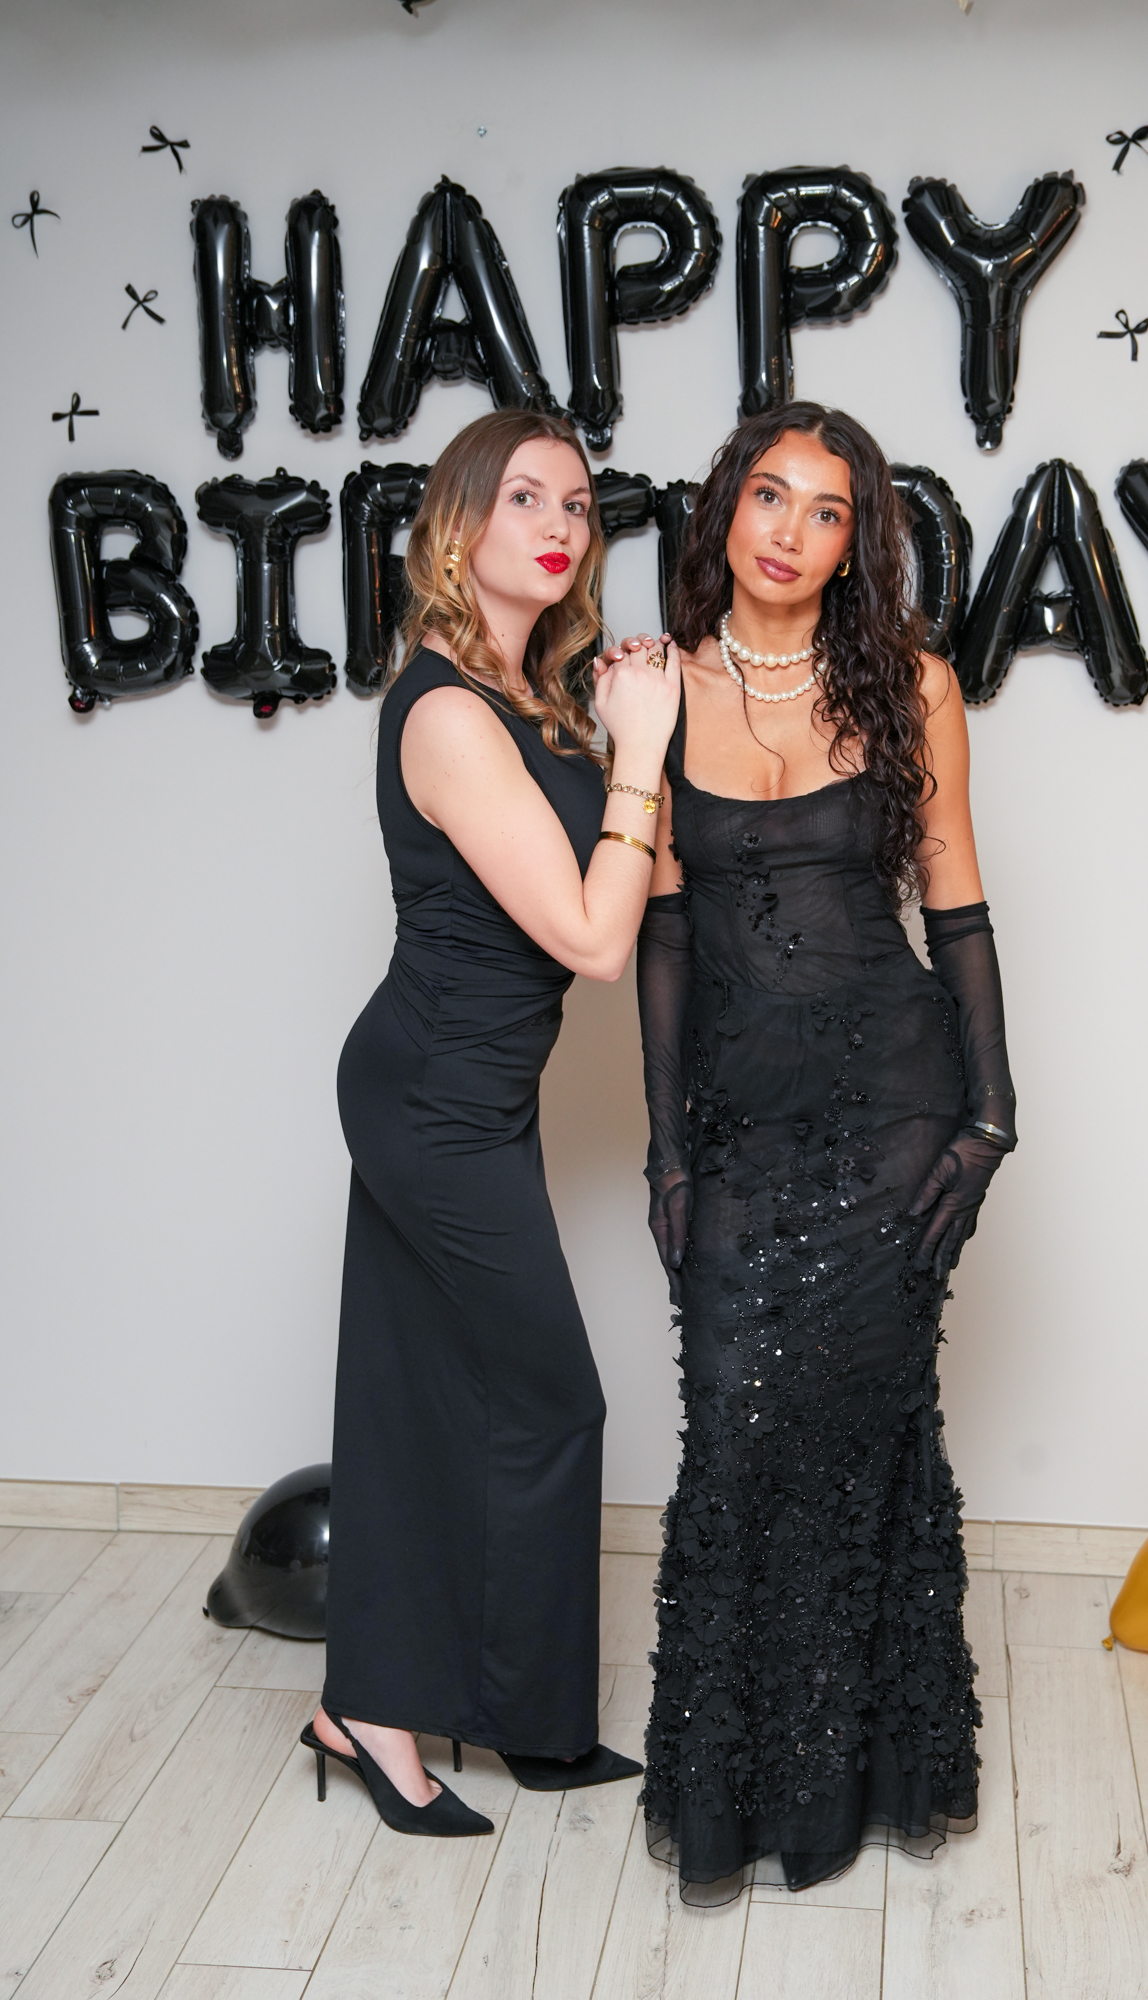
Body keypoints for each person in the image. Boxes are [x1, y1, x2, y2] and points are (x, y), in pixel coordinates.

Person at [635, 402, 1016, 1899]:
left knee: (864, 1432)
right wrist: (668, 1153)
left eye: (828, 510)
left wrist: (990, 1115)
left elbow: (958, 906)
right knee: (736, 1430)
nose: (789, 532)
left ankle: (866, 1775)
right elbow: (665, 938)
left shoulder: (911, 684)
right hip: (740, 1119)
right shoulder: (654, 689)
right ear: (725, 510)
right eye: (769, 497)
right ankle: (743, 1791)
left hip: (894, 1109)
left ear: (857, 543)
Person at [304, 408, 680, 1836]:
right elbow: (592, 936)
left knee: (423, 1400)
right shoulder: (452, 714)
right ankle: (390, 1710)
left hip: (475, 1088)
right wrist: (641, 751)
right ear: (458, 528)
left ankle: (487, 1715)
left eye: (578, 504)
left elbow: (634, 878)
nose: (560, 524)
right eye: (525, 497)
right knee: (549, 1399)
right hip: (430, 1096)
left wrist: (630, 732)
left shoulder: (528, 696)